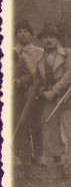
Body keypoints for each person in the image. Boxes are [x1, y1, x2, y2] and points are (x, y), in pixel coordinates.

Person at [35, 23, 71, 183]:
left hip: (66, 99)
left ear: (57, 39)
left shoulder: (67, 54)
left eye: (52, 37)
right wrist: (44, 93)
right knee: (51, 135)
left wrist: (55, 91)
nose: (49, 40)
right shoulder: (39, 59)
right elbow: (36, 81)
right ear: (42, 40)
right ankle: (59, 168)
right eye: (45, 38)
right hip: (48, 101)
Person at [13, 19, 45, 167]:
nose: (22, 34)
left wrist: (38, 88)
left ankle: (39, 155)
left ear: (31, 35)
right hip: (18, 95)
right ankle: (25, 155)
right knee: (21, 125)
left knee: (36, 125)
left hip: (36, 92)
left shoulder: (40, 52)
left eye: (25, 32)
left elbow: (43, 73)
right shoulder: (11, 53)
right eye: (19, 32)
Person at [12, 50, 33, 179]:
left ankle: (27, 169)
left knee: (20, 133)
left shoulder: (17, 58)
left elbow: (28, 75)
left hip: (15, 103)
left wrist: (21, 81)